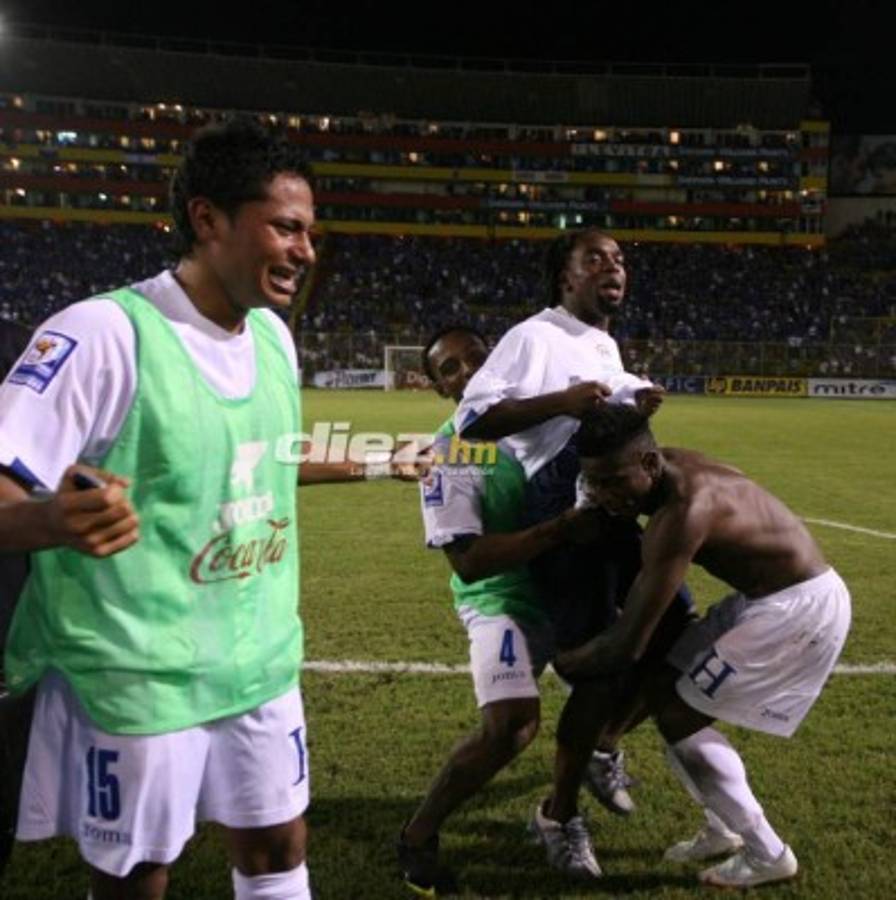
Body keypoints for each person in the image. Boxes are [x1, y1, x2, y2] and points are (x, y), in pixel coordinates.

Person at [0, 119, 324, 900]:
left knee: (279, 846)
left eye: (309, 232)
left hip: (259, 660)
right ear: (208, 219)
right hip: (137, 674)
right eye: (286, 227)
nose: (306, 251)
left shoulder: (274, 339)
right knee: (138, 874)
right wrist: (49, 520)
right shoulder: (103, 334)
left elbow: (250, 465)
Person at [455, 228, 693, 876]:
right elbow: (473, 420)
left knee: (675, 625)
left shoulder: (602, 343)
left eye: (619, 259)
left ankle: (604, 744)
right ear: (566, 276)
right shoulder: (534, 336)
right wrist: (563, 401)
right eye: (596, 259)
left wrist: (635, 401)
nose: (613, 267)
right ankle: (558, 816)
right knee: (601, 667)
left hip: (613, 494)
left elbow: (602, 414)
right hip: (560, 499)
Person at [398, 325, 650, 894]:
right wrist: (560, 530)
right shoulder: (452, 451)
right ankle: (417, 836)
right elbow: (469, 563)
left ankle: (580, 780)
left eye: (475, 358)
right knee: (512, 726)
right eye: (450, 369)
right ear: (440, 389)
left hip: (568, 585)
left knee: (655, 652)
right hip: (504, 598)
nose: (467, 371)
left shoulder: (545, 418)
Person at [558, 405, 851, 888]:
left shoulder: (682, 513)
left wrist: (563, 660)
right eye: (594, 482)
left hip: (796, 610)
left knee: (679, 713)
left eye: (613, 482)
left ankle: (768, 854)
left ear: (648, 463)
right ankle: (722, 828)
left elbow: (627, 644)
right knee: (662, 686)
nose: (604, 495)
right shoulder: (667, 467)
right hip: (767, 597)